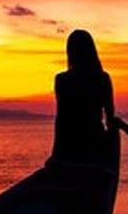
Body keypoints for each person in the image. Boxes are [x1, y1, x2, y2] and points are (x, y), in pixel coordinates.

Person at [48, 29, 116, 164]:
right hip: (95, 144)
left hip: (69, 147)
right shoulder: (103, 78)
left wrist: (56, 154)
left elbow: (61, 120)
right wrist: (111, 152)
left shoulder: (62, 80)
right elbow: (110, 118)